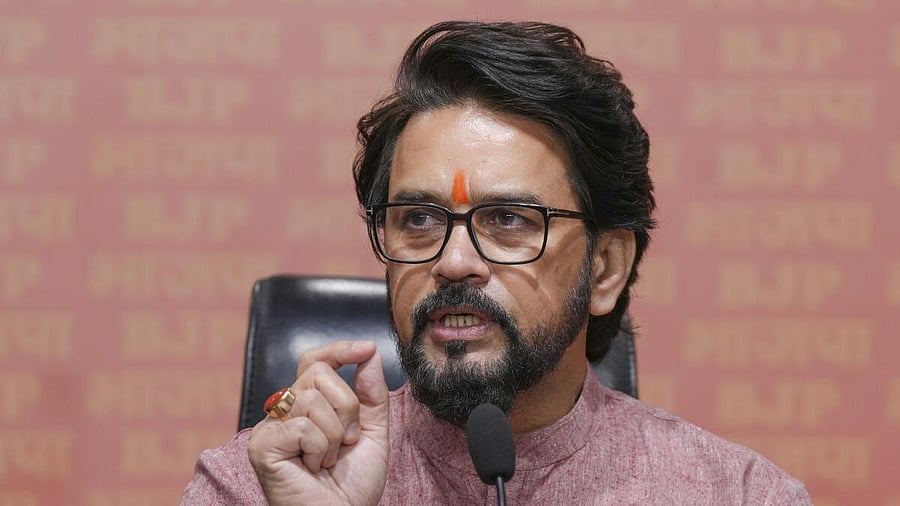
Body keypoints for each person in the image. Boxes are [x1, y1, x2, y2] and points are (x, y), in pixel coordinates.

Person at [182, 20, 812, 504]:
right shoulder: (252, 487)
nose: (454, 262)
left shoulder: (735, 494)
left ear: (604, 270)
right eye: (419, 220)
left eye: (508, 221)